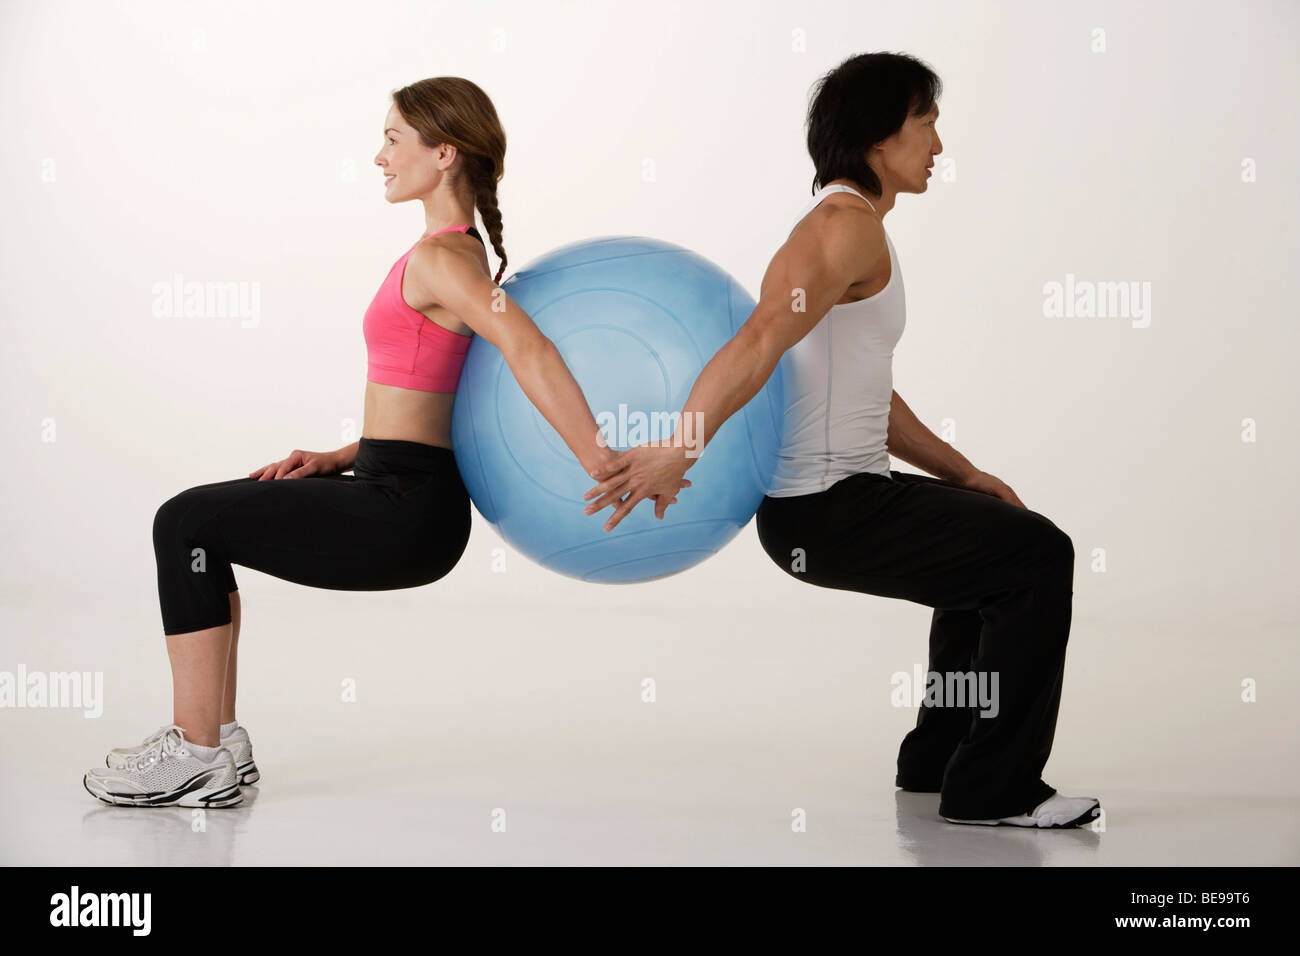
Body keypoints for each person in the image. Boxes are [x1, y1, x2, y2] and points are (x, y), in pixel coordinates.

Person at [84, 76, 684, 808]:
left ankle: (198, 750)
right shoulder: (443, 257)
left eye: (394, 138)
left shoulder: (445, 262)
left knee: (185, 521)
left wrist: (601, 460)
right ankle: (218, 744)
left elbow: (532, 352)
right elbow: (439, 397)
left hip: (407, 509)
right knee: (202, 533)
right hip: (391, 483)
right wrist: (340, 457)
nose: (379, 156)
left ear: (444, 153)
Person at [584, 52, 1100, 829]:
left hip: (848, 496)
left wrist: (965, 473)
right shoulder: (839, 230)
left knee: (995, 553)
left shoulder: (857, 232)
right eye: (926, 123)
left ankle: (936, 760)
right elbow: (759, 342)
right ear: (877, 138)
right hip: (824, 511)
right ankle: (995, 788)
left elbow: (868, 395)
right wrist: (679, 447)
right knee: (1038, 555)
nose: (939, 144)